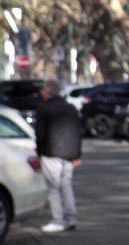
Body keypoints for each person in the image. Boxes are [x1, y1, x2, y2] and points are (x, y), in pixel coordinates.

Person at [34, 78, 83, 233]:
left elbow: (40, 134)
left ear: (48, 92)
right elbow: (78, 132)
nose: (42, 93)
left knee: (53, 187)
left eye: (43, 91)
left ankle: (58, 219)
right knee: (66, 185)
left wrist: (39, 152)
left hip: (52, 151)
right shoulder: (70, 108)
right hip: (69, 153)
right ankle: (71, 217)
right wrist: (77, 154)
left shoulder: (44, 109)